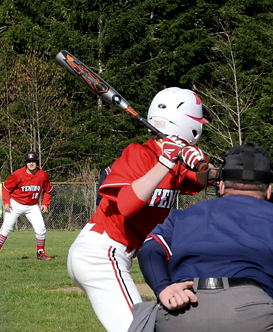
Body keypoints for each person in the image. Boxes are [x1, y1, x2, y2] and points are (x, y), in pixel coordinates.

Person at [136, 141, 273, 332]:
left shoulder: (184, 215)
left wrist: (163, 288)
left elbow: (150, 250)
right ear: (269, 190)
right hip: (253, 312)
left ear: (221, 186)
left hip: (181, 311)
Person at [67, 87, 213, 332]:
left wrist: (200, 162)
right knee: (140, 328)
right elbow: (126, 205)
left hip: (117, 255)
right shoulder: (139, 153)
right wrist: (164, 163)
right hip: (101, 253)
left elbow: (205, 180)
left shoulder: (175, 162)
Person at [0, 151, 54, 261]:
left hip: (32, 206)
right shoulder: (18, 174)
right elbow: (6, 188)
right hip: (15, 204)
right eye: (29, 161)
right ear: (25, 163)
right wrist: (6, 202)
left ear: (37, 162)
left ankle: (41, 253)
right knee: (6, 228)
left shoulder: (42, 175)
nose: (31, 163)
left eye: (33, 161)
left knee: (41, 228)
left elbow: (48, 190)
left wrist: (45, 204)